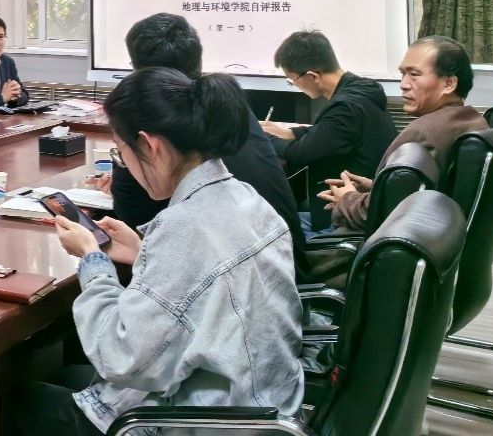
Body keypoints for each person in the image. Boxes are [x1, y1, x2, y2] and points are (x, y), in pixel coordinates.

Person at [17, 67, 303, 434]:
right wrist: (143, 253)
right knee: (66, 375)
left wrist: (93, 259)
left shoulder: (184, 226)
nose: (125, 167)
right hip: (265, 403)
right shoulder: (245, 197)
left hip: (216, 422)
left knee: (24, 402)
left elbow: (121, 359)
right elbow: (211, 285)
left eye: (122, 155)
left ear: (149, 145)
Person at [102, 14, 307, 276]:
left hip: (244, 276)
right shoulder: (226, 109)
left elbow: (132, 219)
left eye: (121, 152)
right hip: (285, 265)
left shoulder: (150, 127)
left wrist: (93, 263)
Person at [320, 36, 486, 230]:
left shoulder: (422, 134)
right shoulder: (474, 121)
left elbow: (374, 217)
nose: (404, 84)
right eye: (403, 73)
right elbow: (432, 192)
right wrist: (378, 186)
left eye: (414, 74)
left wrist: (346, 198)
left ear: (448, 83)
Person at [264, 30, 396, 234]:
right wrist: (289, 133)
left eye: (292, 81)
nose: (294, 86)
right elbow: (327, 133)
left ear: (312, 76)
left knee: (269, 229)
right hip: (359, 206)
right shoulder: (361, 90)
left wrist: (265, 139)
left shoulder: (345, 108)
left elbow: (301, 153)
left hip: (344, 218)